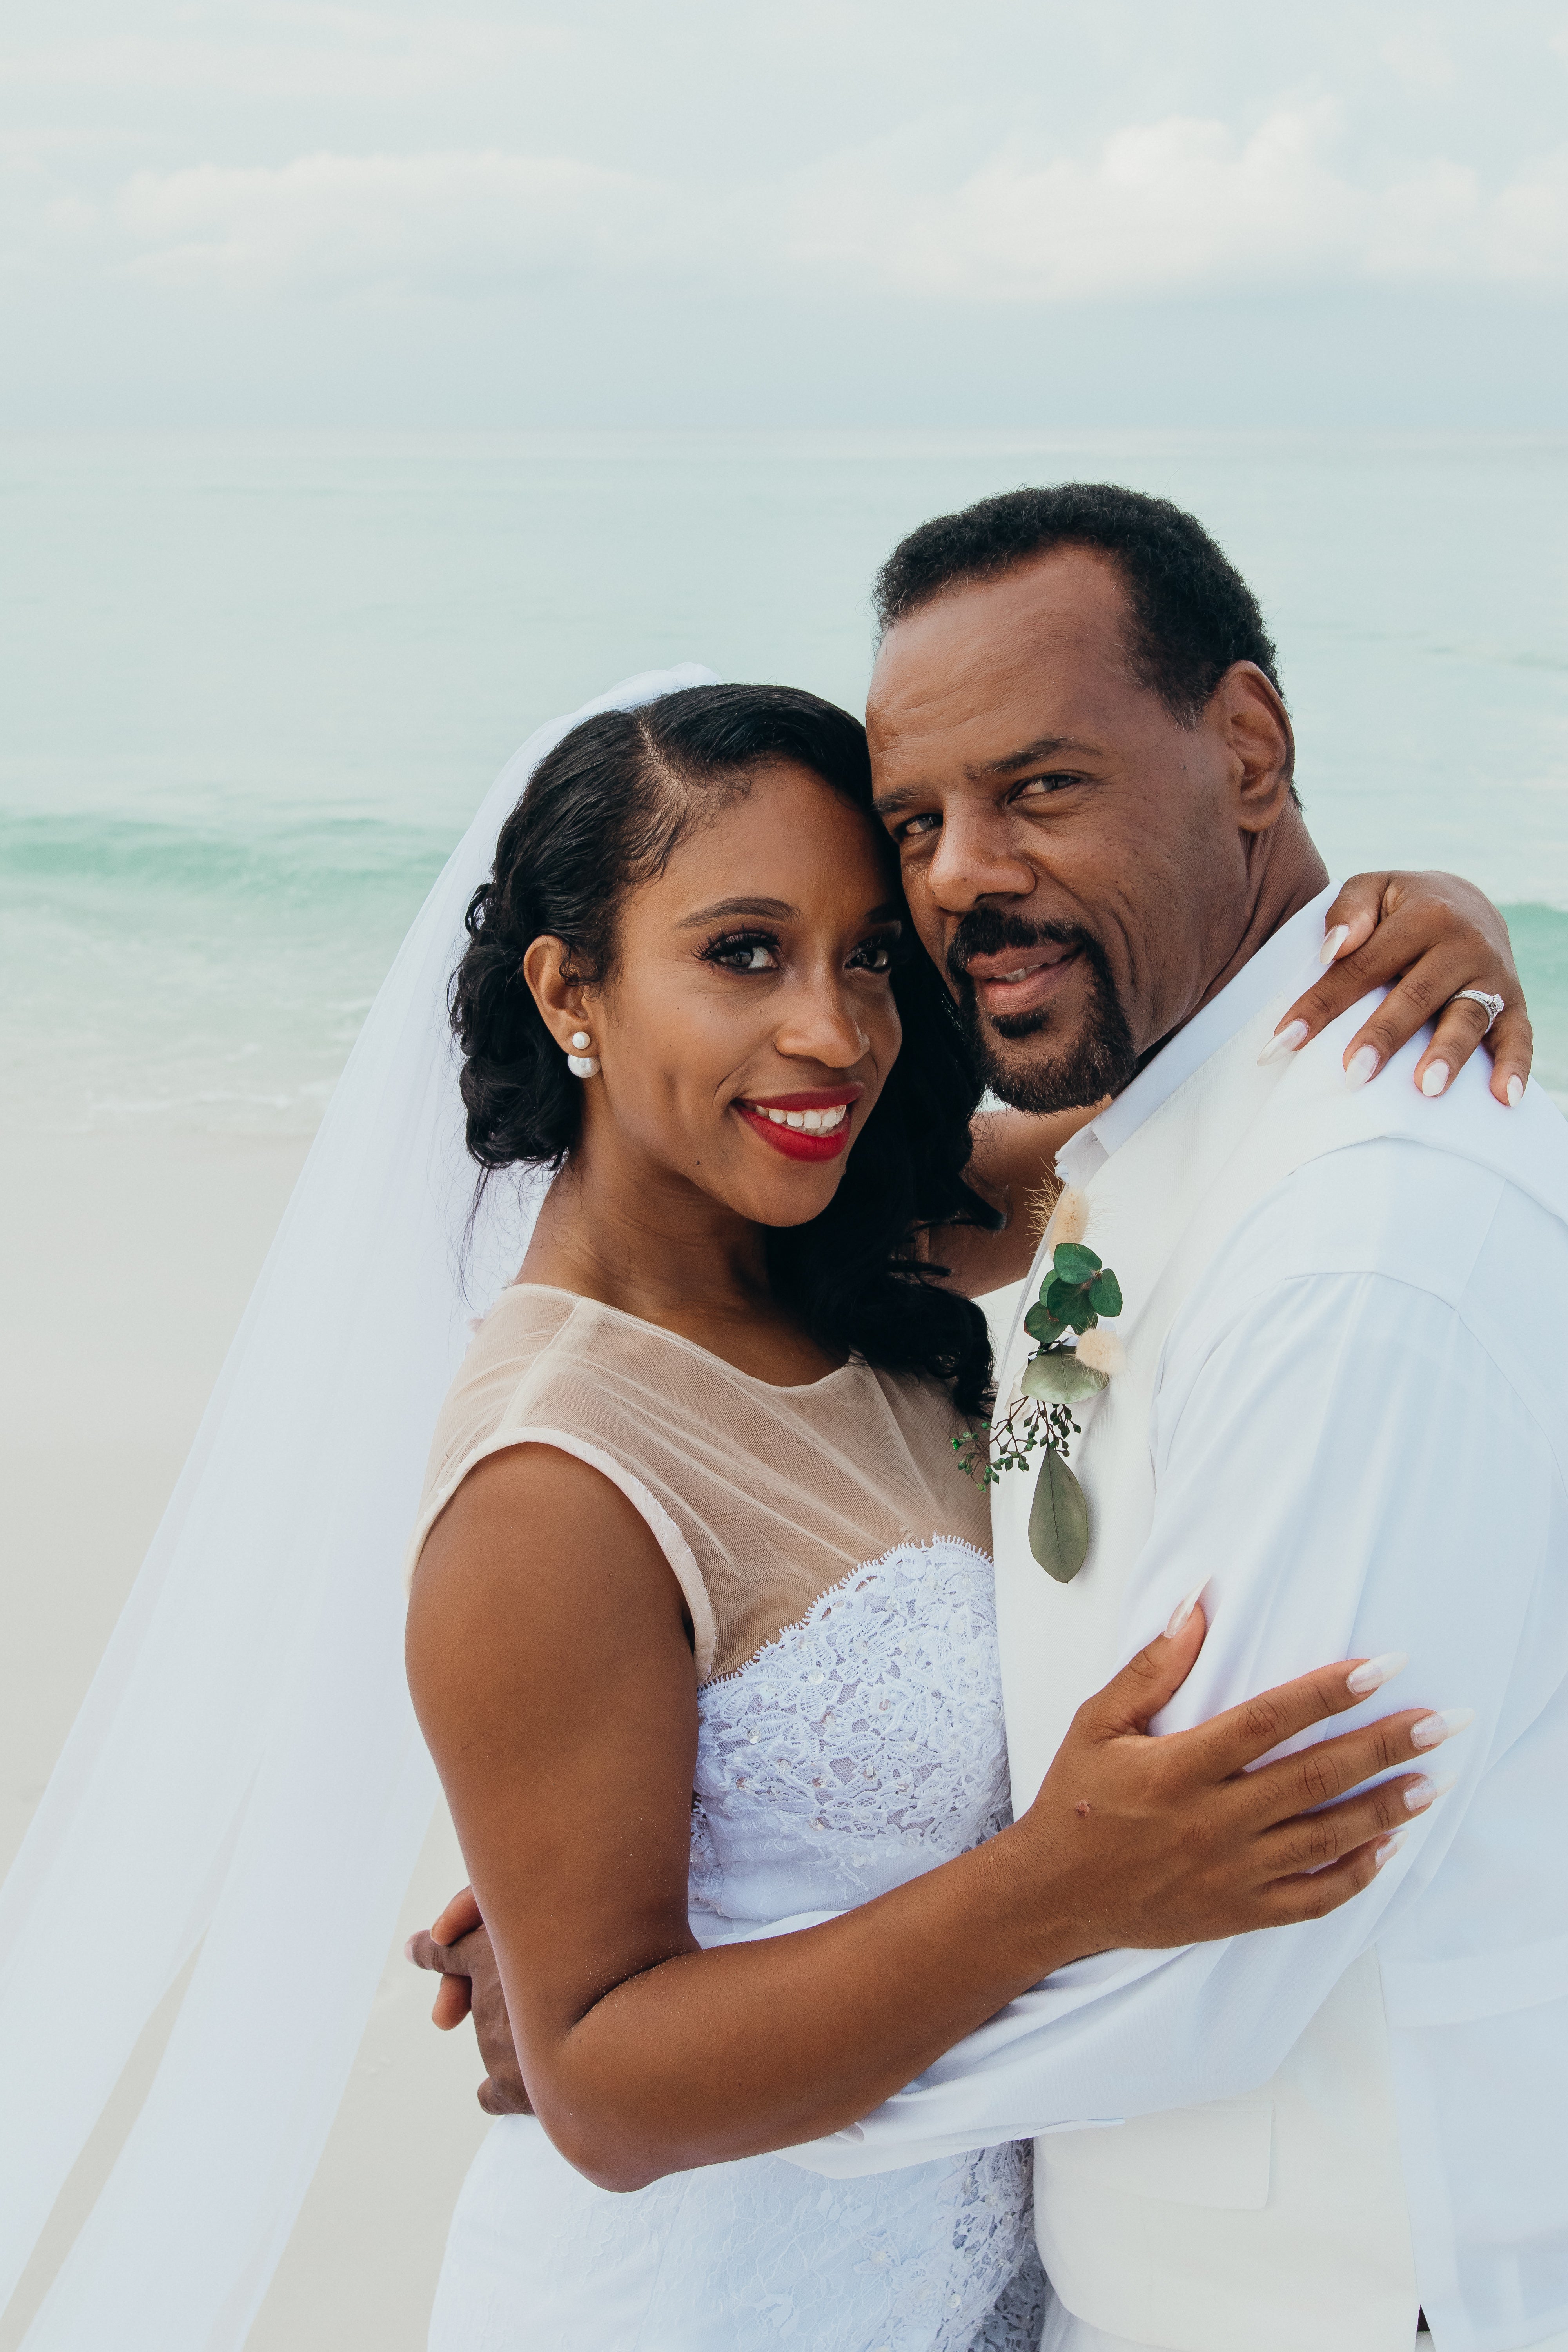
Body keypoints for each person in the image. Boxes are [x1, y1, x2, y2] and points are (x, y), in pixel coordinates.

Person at [402, 671, 1534, 2350]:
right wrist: (1059, 1887)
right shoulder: (551, 1482)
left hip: (987, 2286)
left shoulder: (868, 1243)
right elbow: (606, 2094)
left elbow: (1211, 1102)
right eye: (742, 954)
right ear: (572, 989)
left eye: (868, 952)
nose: (834, 1032)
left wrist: (1424, 923)